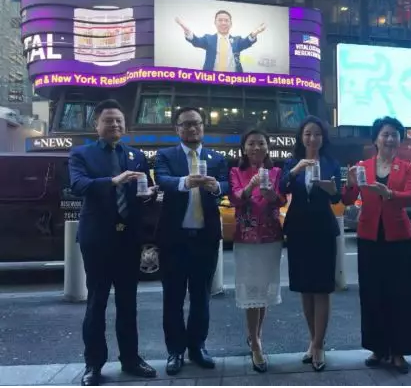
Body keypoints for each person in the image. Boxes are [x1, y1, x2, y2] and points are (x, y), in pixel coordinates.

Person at [68, 99, 157, 386]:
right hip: (98, 239)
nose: (115, 125)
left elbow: (143, 192)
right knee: (97, 302)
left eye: (119, 120)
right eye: (108, 120)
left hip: (128, 239)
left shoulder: (136, 155)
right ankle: (93, 364)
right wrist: (113, 180)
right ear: (96, 125)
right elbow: (79, 185)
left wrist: (150, 194)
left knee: (128, 303)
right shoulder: (81, 154)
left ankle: (130, 359)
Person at [342, 116, 411, 374]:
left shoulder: (406, 167)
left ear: (400, 140)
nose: (390, 139)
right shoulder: (362, 166)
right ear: (376, 139)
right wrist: (350, 183)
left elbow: (410, 197)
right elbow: (347, 199)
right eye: (385, 134)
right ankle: (378, 348)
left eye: (394, 134)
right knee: (372, 294)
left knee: (400, 295)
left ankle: (399, 351)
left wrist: (389, 194)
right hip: (369, 237)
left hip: (398, 239)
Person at [154, 106, 228, 375]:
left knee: (201, 297)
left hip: (205, 239)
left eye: (196, 123)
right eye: (186, 124)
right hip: (174, 239)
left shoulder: (216, 158)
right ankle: (175, 351)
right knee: (173, 298)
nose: (192, 128)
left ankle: (198, 347)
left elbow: (227, 183)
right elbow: (163, 180)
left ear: (203, 127)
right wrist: (186, 182)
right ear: (177, 129)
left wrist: (216, 186)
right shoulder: (165, 156)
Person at [279, 115, 342, 372]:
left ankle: (318, 345)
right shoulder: (291, 162)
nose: (312, 138)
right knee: (305, 287)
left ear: (323, 138)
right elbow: (281, 186)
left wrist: (330, 188)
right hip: (298, 229)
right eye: (307, 134)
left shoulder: (331, 163)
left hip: (323, 229)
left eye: (317, 134)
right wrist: (296, 170)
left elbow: (337, 196)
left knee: (322, 288)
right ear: (301, 137)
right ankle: (313, 340)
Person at [229, 128, 286, 373]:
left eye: (261, 143)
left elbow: (282, 200)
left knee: (263, 291)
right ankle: (255, 343)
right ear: (243, 148)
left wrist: (272, 195)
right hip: (246, 237)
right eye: (251, 143)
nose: (256, 148)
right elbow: (234, 198)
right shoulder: (236, 171)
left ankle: (256, 336)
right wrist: (250, 187)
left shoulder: (276, 172)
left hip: (271, 237)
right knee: (251, 291)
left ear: (267, 147)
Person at [175, 10, 266, 72]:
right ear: (215, 23)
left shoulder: (237, 40)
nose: (223, 23)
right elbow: (196, 41)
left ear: (231, 24)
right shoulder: (208, 39)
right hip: (211, 80)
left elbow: (247, 42)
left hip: (234, 81)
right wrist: (187, 31)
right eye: (220, 20)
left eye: (226, 20)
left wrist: (254, 33)